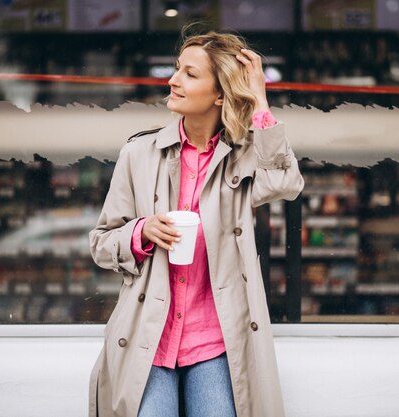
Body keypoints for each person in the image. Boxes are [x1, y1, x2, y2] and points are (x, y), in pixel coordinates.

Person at [88, 29, 304, 417]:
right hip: (148, 339)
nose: (173, 80)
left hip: (216, 341)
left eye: (189, 74)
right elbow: (102, 243)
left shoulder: (241, 157)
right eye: (176, 69)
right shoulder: (139, 153)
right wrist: (141, 232)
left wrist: (259, 99)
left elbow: (286, 183)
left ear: (220, 94)